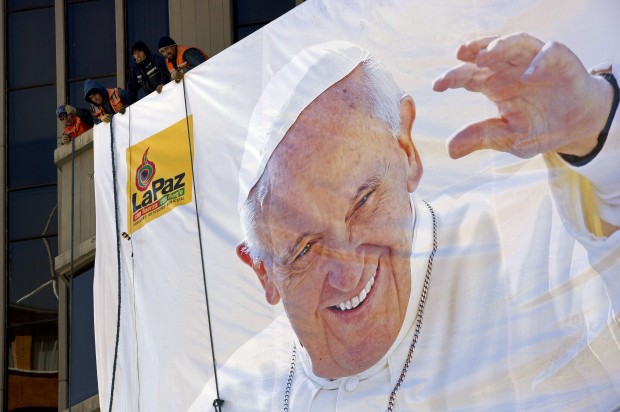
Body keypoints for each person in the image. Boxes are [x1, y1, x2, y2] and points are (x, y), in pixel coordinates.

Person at [193, 34, 620, 411]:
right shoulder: (237, 390)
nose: (348, 273)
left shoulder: (525, 244)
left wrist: (598, 129)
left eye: (362, 202)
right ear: (263, 271)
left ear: (407, 151)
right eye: (304, 248)